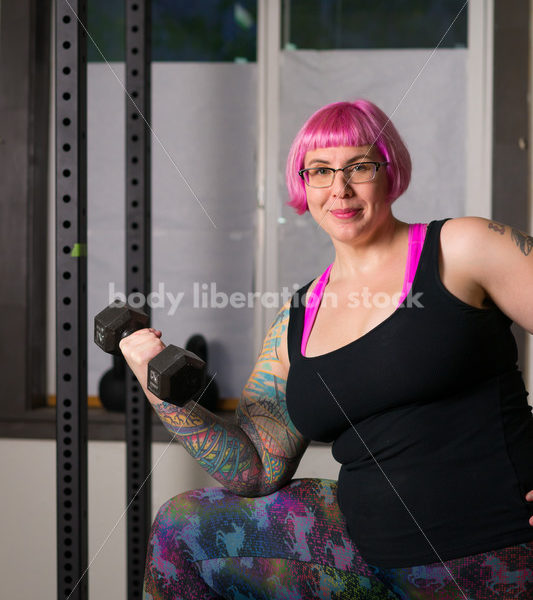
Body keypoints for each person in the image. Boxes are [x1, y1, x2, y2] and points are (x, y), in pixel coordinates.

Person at [120, 100, 533, 600]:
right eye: (320, 171)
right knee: (182, 530)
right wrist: (160, 390)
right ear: (304, 185)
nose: (340, 188)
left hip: (486, 553)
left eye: (359, 166)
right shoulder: (297, 318)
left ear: (389, 170)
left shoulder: (462, 248)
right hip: (362, 556)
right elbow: (255, 468)